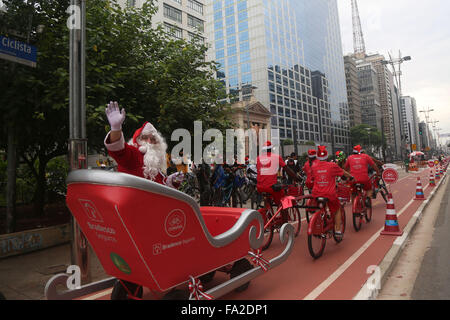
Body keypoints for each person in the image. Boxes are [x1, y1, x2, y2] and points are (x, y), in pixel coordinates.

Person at [104, 101, 167, 184]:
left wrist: (172, 181)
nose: (149, 141)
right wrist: (116, 129)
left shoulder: (155, 161)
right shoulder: (133, 155)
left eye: (153, 139)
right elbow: (119, 151)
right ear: (136, 141)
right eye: (144, 138)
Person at [310, 146, 353, 236]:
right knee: (337, 209)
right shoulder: (332, 165)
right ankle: (337, 230)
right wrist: (351, 177)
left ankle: (320, 221)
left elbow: (313, 178)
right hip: (329, 194)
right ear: (327, 156)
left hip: (316, 194)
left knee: (321, 208)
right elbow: (343, 173)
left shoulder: (314, 166)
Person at [256, 141, 300, 223]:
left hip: (260, 187)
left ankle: (267, 215)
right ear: (272, 149)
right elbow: (287, 169)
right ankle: (285, 223)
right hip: (271, 187)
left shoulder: (258, 158)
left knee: (267, 200)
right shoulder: (276, 157)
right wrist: (296, 178)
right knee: (283, 202)